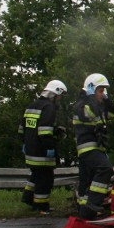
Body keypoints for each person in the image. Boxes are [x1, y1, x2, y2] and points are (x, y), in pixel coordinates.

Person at [19, 79, 68, 213]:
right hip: (42, 152)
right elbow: (44, 132)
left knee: (36, 176)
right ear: (54, 93)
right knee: (45, 180)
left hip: (30, 150)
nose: (59, 99)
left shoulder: (32, 105)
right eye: (60, 96)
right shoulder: (48, 107)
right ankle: (41, 206)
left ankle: (28, 198)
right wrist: (51, 147)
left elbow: (22, 129)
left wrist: (55, 130)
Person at [73, 73, 114, 220]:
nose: (102, 95)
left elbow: (112, 114)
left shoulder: (95, 105)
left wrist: (105, 99)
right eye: (100, 90)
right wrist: (91, 97)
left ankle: (85, 211)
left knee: (87, 181)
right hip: (88, 148)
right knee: (105, 168)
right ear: (91, 89)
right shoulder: (83, 105)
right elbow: (91, 113)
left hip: (95, 148)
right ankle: (93, 205)